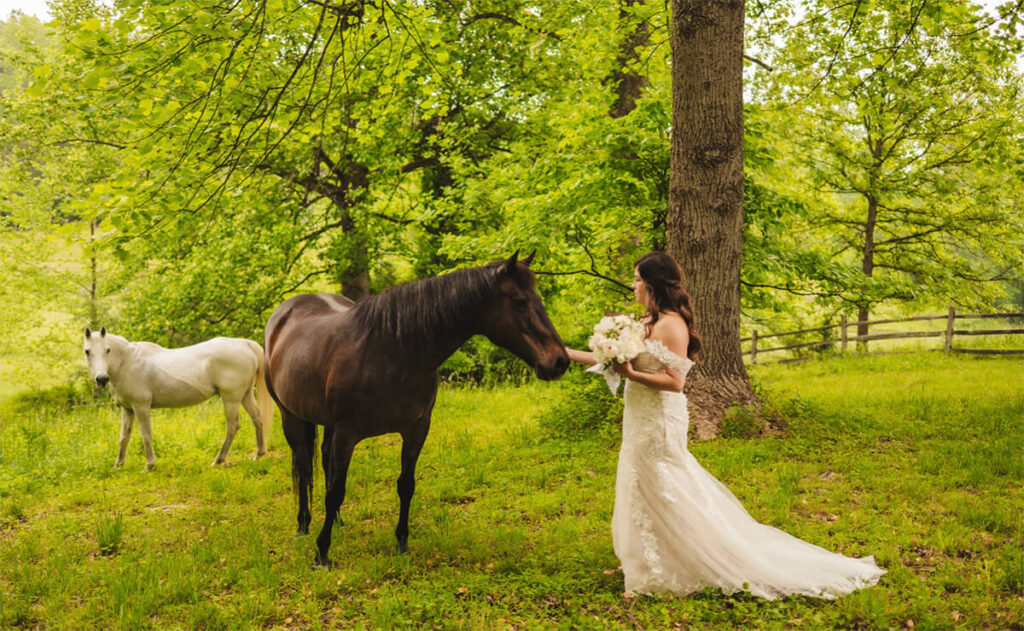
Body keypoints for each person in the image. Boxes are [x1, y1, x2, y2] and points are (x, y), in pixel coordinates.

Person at [566, 251, 885, 599]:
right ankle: (649, 564)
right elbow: (610, 360)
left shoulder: (671, 323)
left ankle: (675, 567)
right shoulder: (644, 321)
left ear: (654, 283)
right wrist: (562, 351)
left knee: (664, 484)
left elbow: (675, 382)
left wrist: (630, 373)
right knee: (640, 482)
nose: (633, 284)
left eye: (638, 278)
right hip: (638, 414)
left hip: (658, 418)